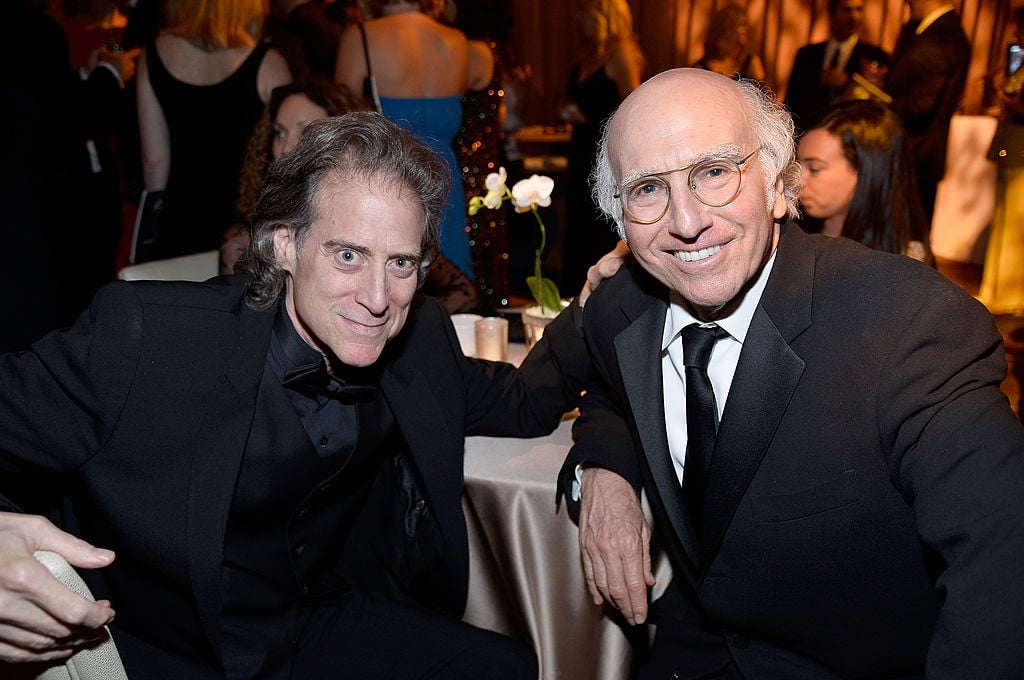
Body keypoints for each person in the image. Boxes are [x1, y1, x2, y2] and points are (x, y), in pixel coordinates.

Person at [0, 112, 589, 678]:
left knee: (504, 664)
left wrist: (605, 299)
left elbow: (521, 399)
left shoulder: (419, 340)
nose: (378, 297)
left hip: (316, 620)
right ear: (285, 245)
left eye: (402, 263)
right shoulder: (149, 337)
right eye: (349, 255)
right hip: (178, 645)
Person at [557, 68, 1024, 679]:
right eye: (648, 188)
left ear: (779, 187)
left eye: (715, 173)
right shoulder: (620, 308)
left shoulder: (907, 322)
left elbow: (1002, 560)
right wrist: (604, 473)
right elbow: (610, 394)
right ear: (620, 217)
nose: (687, 220)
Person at [224, 79, 481, 313]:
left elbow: (464, 292)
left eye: (305, 132)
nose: (285, 147)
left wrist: (399, 319)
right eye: (279, 132)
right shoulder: (245, 239)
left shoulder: (379, 224)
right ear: (282, 242)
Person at [334, 0, 491, 281]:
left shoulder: (360, 37)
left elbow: (339, 118)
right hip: (445, 181)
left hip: (390, 178)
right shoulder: (456, 40)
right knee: (449, 286)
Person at [136, 0, 292, 260]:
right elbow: (290, 156)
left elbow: (154, 163)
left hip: (179, 219)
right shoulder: (269, 63)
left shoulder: (153, 53)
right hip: (245, 225)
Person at [560, 0, 644, 292]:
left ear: (601, 15)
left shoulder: (620, 55)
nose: (578, 18)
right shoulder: (587, 56)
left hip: (603, 158)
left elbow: (634, 109)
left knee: (598, 233)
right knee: (577, 235)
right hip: (580, 154)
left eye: (584, 11)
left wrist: (591, 116)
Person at [797, 98, 932, 262]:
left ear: (866, 170)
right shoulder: (791, 233)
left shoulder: (904, 260)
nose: (798, 180)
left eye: (814, 169)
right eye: (796, 165)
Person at [885, 0, 970, 229]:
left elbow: (921, 104)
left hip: (917, 154)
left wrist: (875, 104)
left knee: (908, 237)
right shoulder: (927, 30)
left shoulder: (944, 35)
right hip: (913, 154)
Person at [783, 0, 889, 134]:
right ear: (832, 14)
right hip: (809, 133)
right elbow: (791, 103)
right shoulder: (807, 54)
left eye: (859, 10)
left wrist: (847, 84)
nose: (854, 17)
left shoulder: (874, 56)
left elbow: (877, 107)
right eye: (847, 10)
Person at [691, 3, 765, 82]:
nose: (745, 29)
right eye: (741, 24)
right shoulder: (700, 68)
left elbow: (763, 92)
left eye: (746, 24)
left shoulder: (751, 63)